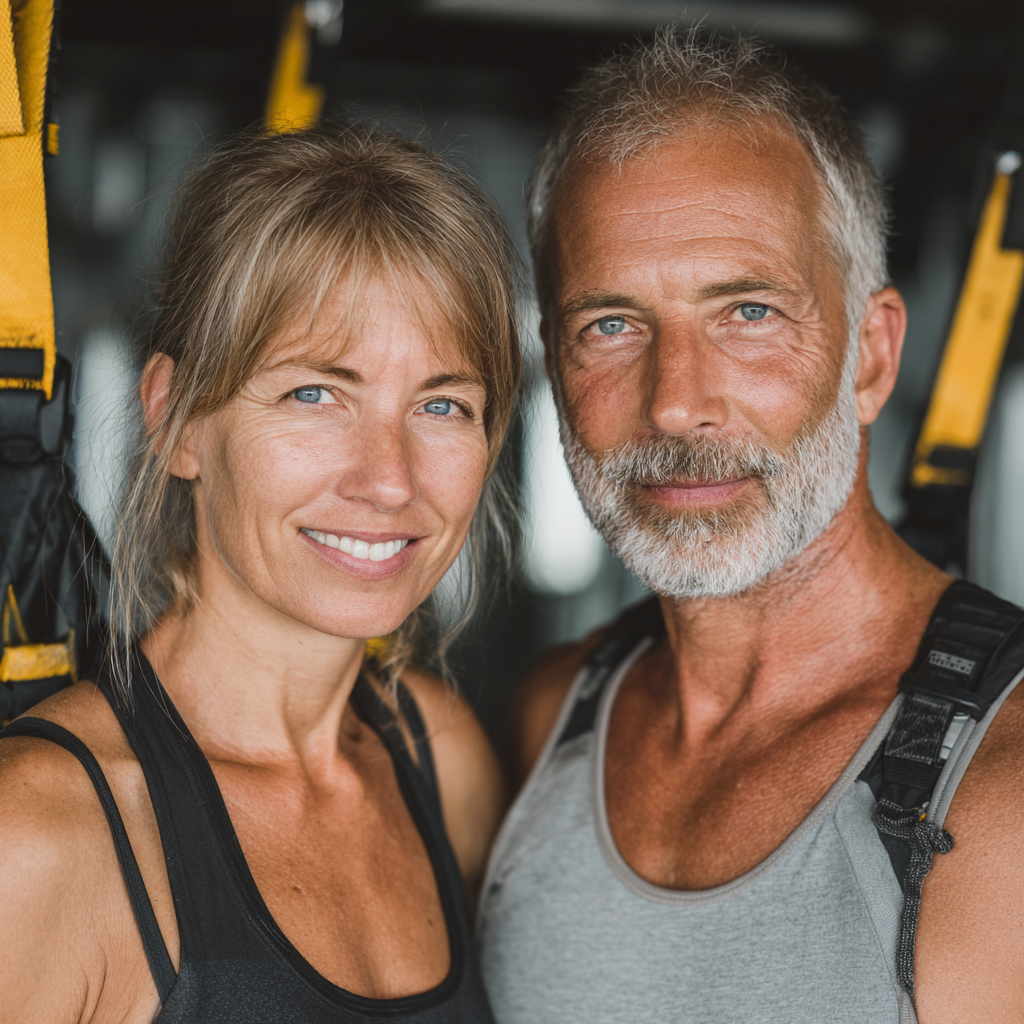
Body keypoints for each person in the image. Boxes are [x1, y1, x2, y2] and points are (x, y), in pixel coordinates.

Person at [479, 31, 1024, 1024]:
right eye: (610, 324)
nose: (676, 403)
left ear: (868, 355)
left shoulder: (1005, 797)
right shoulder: (551, 721)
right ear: (555, 369)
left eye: (748, 313)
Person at [0, 121, 520, 1022]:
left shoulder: (443, 761)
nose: (389, 478)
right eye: (316, 393)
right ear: (177, 419)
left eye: (442, 404)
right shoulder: (41, 833)